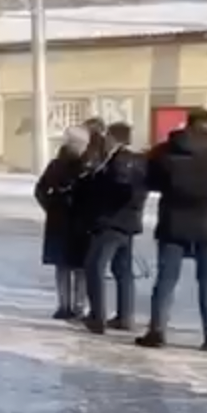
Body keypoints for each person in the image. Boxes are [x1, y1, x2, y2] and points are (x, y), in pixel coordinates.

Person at [138, 106, 207, 351]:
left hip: (172, 220)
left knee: (166, 278)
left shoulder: (166, 149)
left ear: (187, 123)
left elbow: (150, 181)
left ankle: (156, 331)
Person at [77, 122, 145, 334]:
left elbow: (118, 188)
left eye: (107, 136)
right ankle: (125, 316)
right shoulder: (139, 160)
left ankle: (98, 316)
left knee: (94, 266)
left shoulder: (119, 161)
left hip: (111, 222)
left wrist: (93, 185)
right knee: (122, 270)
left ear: (114, 138)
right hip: (129, 223)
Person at [34, 125, 91, 320]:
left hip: (58, 222)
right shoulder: (85, 165)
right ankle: (78, 306)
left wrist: (50, 207)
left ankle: (64, 305)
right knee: (80, 267)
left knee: (63, 266)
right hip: (80, 222)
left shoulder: (55, 165)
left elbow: (40, 190)